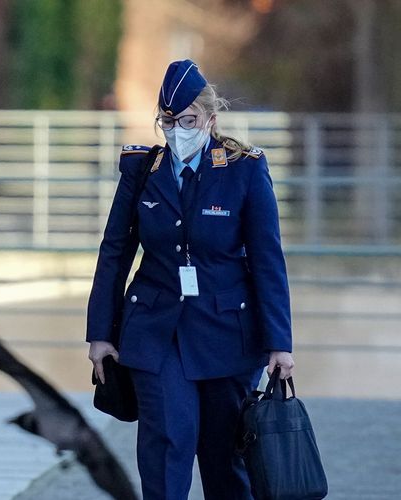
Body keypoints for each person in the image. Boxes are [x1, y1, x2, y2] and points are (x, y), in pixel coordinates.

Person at [86, 59, 294, 499]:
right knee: (166, 445)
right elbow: (115, 252)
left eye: (188, 120)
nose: (177, 130)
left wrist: (280, 342)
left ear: (210, 119)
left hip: (227, 336)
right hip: (157, 333)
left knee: (225, 461)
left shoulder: (244, 170)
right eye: (168, 121)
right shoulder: (142, 171)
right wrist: (101, 333)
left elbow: (267, 260)